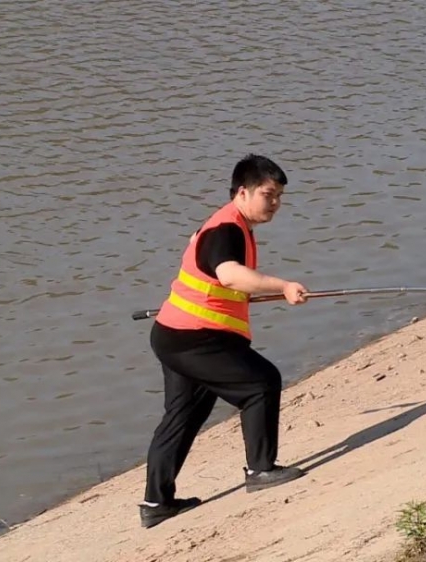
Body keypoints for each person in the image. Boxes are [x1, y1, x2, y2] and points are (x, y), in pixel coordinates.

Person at [139, 154, 309, 529]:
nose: (276, 202)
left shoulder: (229, 226)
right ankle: (261, 470)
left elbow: (214, 277)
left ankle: (156, 504)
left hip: (173, 335)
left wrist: (253, 291)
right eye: (269, 194)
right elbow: (230, 275)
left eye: (280, 195)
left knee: (183, 415)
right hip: (193, 339)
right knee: (260, 383)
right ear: (243, 192)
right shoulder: (226, 229)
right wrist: (282, 287)